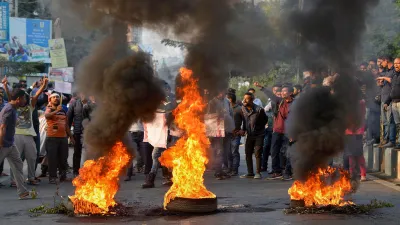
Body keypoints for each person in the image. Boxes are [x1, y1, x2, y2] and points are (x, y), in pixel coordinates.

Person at [3, 76, 48, 186]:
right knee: (16, 159)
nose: (24, 99)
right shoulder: (14, 106)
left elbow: (36, 96)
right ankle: (14, 180)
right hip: (17, 135)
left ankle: (31, 178)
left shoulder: (30, 106)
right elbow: (10, 98)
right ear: (18, 99)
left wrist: (43, 85)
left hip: (29, 135)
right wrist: (5, 86)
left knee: (32, 157)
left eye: (25, 98)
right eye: (22, 97)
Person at [0, 88, 36, 199]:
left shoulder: (14, 107)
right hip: (3, 145)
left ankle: (22, 192)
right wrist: (1, 143)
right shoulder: (9, 110)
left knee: (18, 164)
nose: (25, 100)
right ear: (18, 99)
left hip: (11, 144)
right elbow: (2, 127)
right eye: (24, 98)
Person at [255, 82, 294, 180]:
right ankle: (277, 171)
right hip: (277, 130)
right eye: (282, 91)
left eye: (285, 91)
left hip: (289, 131)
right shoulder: (279, 101)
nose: (283, 93)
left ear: (290, 93)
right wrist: (262, 87)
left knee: (287, 152)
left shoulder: (295, 103)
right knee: (274, 151)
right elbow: (271, 95)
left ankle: (288, 172)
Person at [45, 93, 74, 184]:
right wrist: (56, 111)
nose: (56, 98)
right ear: (50, 100)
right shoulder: (49, 109)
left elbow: (66, 125)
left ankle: (63, 176)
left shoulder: (64, 111)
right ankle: (52, 177)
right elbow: (47, 116)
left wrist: (71, 137)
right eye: (53, 97)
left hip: (63, 138)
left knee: (63, 158)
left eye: (57, 97)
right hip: (52, 138)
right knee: (52, 158)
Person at [238, 92, 268, 179]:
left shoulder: (259, 110)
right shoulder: (243, 109)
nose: (244, 100)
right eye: (244, 98)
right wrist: (243, 130)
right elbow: (244, 120)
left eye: (247, 99)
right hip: (249, 135)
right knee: (247, 153)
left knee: (258, 153)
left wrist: (258, 128)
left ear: (252, 100)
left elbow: (264, 120)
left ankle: (258, 173)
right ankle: (250, 172)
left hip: (259, 134)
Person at [206, 90, 234, 180]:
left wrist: (232, 127)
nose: (222, 94)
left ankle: (222, 170)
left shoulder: (227, 101)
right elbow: (208, 116)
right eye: (220, 92)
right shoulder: (212, 102)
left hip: (226, 130)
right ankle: (218, 171)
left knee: (225, 151)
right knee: (219, 151)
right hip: (216, 131)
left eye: (223, 92)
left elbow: (230, 114)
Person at [377, 56, 395, 147]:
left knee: (390, 121)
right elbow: (386, 85)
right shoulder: (387, 71)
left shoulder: (393, 71)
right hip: (383, 99)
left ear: (386, 60)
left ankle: (390, 140)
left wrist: (384, 77)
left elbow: (394, 81)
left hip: (389, 99)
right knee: (384, 121)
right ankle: (384, 140)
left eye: (382, 62)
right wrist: (380, 84)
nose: (381, 64)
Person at [67, 93, 87, 177]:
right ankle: (76, 170)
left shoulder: (91, 103)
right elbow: (69, 119)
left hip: (89, 132)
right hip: (77, 132)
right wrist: (68, 134)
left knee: (90, 151)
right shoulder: (74, 103)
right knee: (77, 152)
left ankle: (89, 170)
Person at [384, 58, 400, 148]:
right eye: (395, 63)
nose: (396, 65)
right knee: (397, 124)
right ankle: (395, 142)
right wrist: (387, 102)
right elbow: (392, 91)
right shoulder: (394, 76)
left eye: (398, 63)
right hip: (394, 103)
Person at [226, 92, 241, 176]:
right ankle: (229, 168)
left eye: (227, 98)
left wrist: (243, 130)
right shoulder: (225, 108)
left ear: (231, 99)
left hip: (235, 134)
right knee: (228, 152)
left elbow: (245, 120)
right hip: (227, 133)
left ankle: (235, 169)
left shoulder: (239, 109)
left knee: (234, 152)